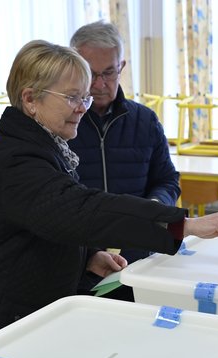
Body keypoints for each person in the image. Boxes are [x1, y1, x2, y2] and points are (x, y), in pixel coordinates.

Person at [0, 40, 218, 358]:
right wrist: (183, 224)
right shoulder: (17, 160)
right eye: (72, 97)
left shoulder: (46, 147)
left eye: (84, 97)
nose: (82, 106)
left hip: (15, 319)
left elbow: (46, 225)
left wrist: (87, 257)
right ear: (30, 99)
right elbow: (82, 209)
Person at [68, 21, 180, 300]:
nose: (99, 84)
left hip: (139, 256)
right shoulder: (64, 124)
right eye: (90, 74)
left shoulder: (145, 121)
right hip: (79, 261)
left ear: (122, 66)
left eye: (108, 72)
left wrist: (157, 206)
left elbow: (167, 180)